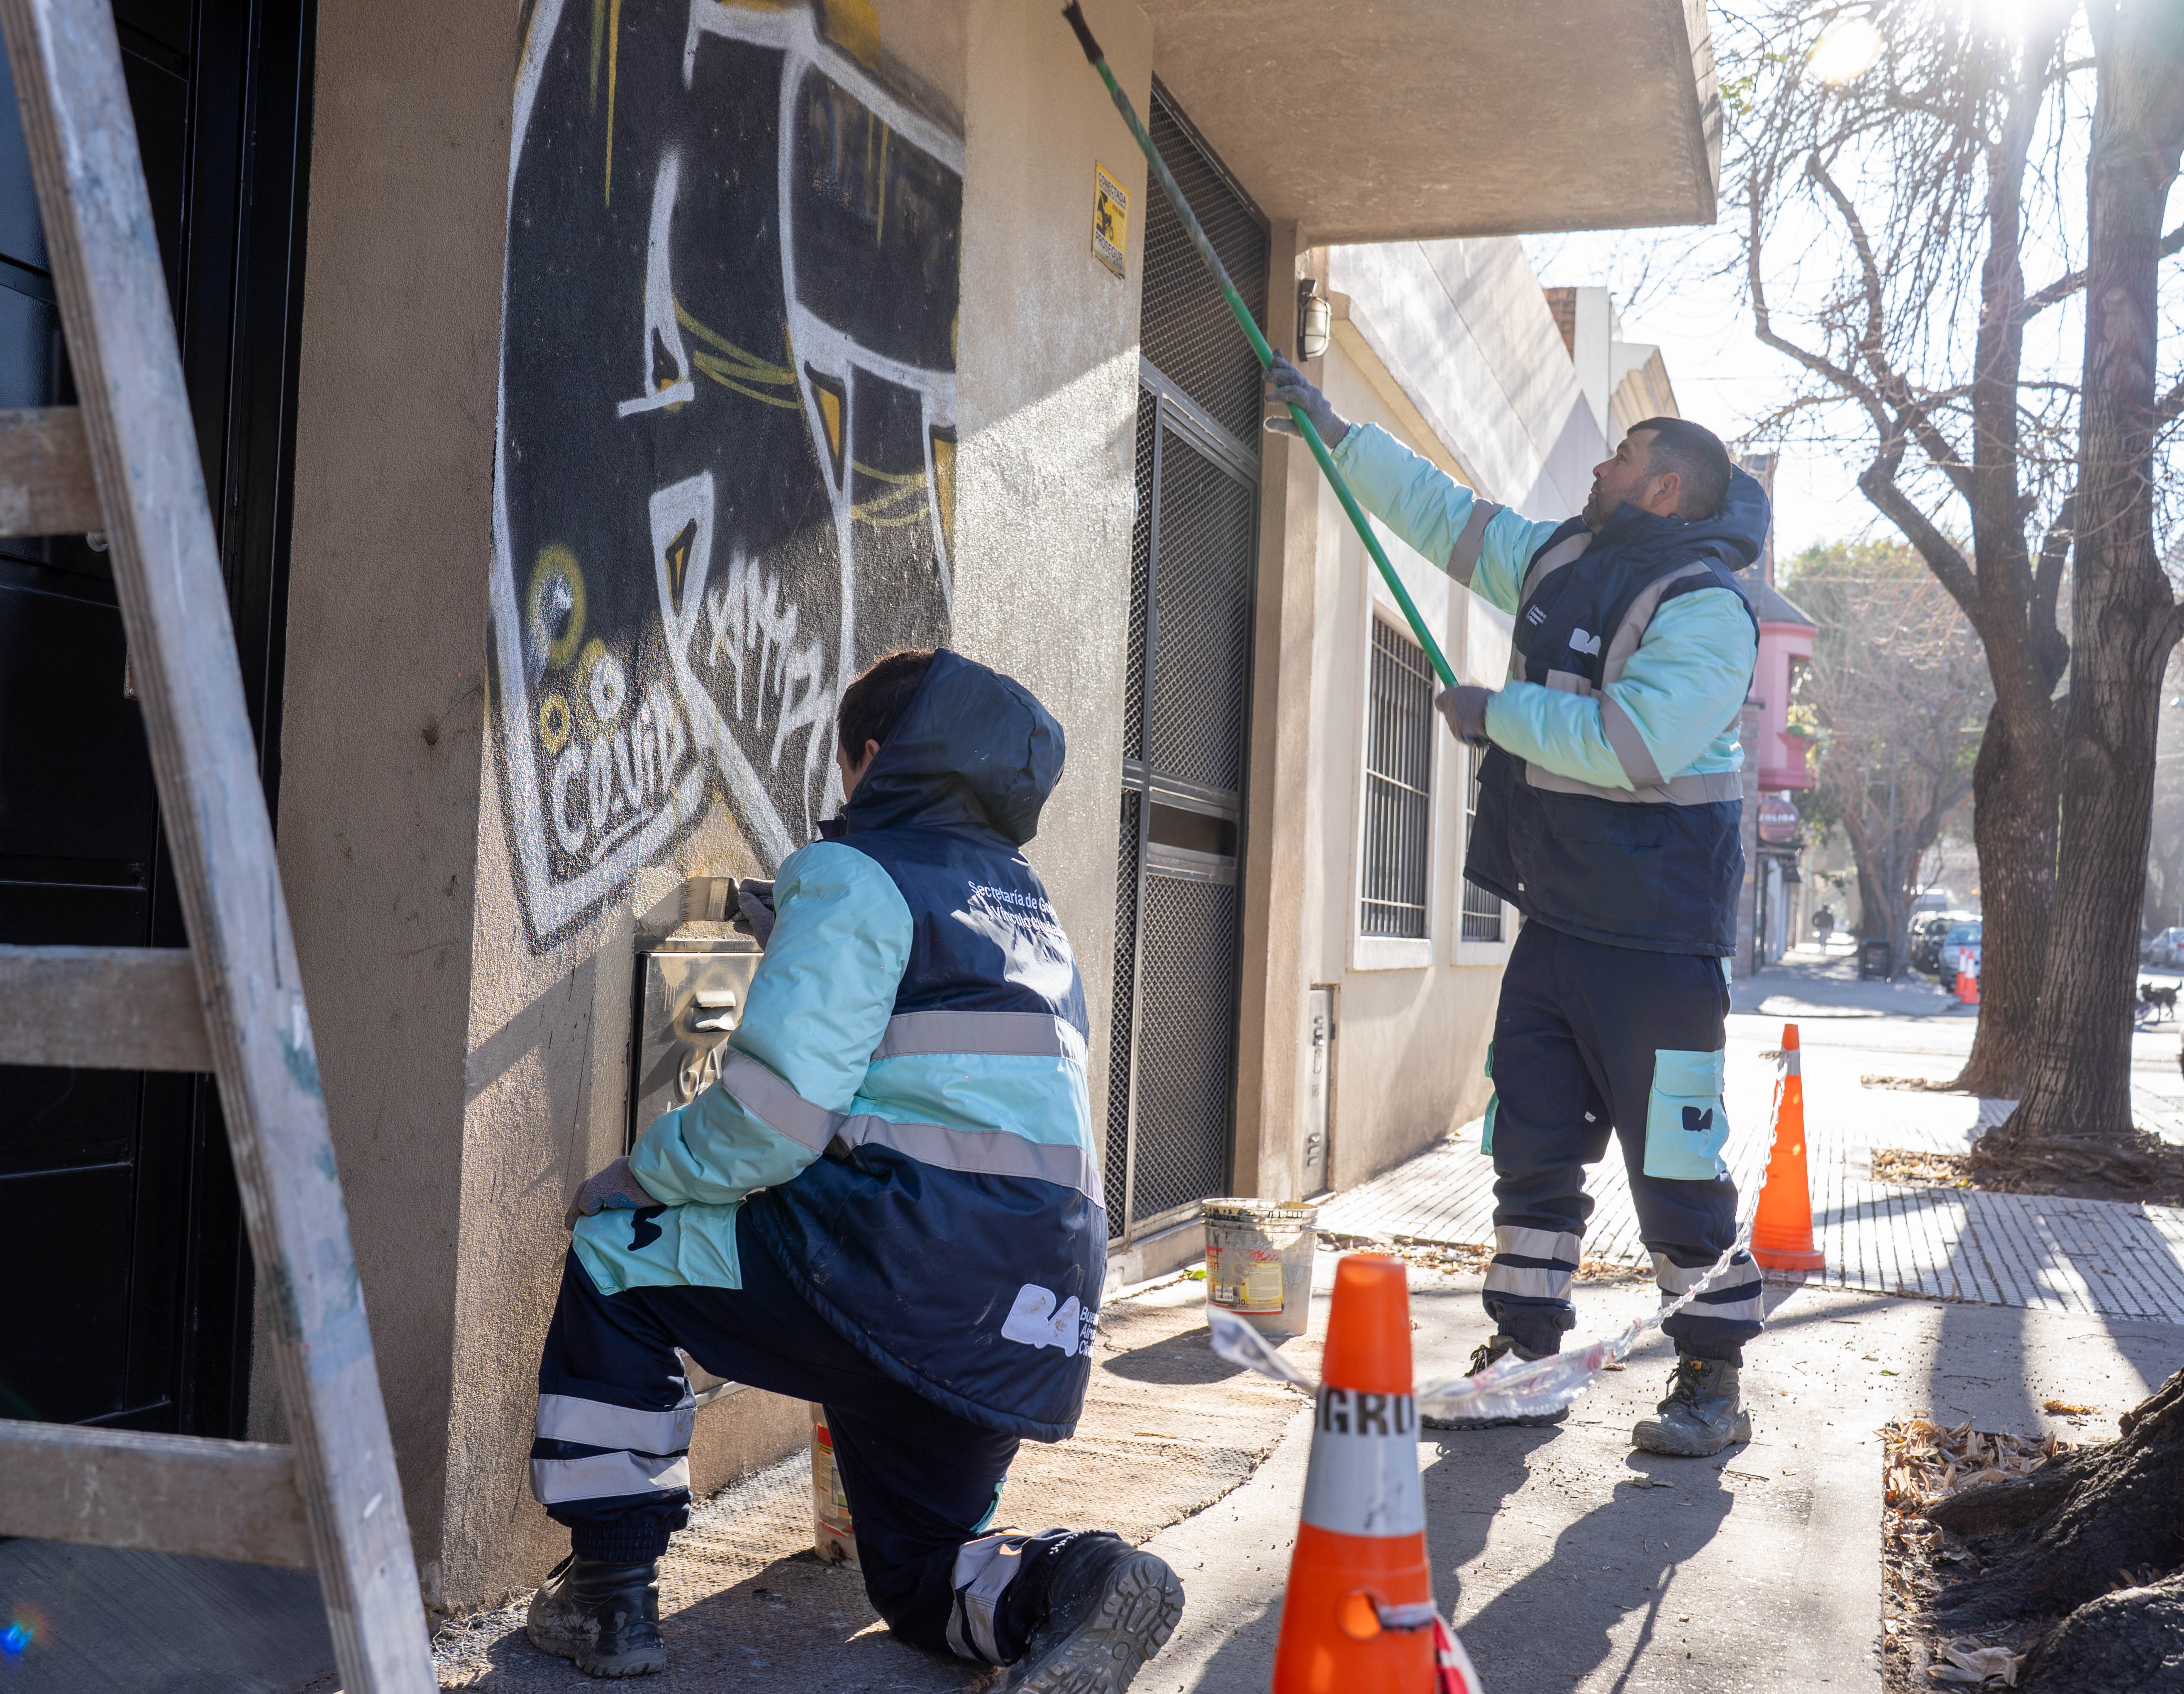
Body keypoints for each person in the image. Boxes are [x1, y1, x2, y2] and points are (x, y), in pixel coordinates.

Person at [526, 648, 1183, 1688]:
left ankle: (605, 1593)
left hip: (903, 1267)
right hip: (1032, 1310)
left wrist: (642, 1174)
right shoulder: (1025, 908)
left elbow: (770, 1123)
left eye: (842, 767)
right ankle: (1082, 1585)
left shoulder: (857, 869)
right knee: (919, 1580)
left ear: (873, 759)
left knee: (616, 1255)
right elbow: (948, 1071)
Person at [1266, 358, 1769, 1459]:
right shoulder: (1563, 559)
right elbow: (1447, 518)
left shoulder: (1708, 614)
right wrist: (1335, 432)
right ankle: (1528, 1357)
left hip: (1660, 946)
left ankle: (1712, 1377)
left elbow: (1633, 745)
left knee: (1676, 1163)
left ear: (1665, 489)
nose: (1603, 460)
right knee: (1533, 1147)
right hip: (1558, 925)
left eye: (1625, 455)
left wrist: (1497, 713)